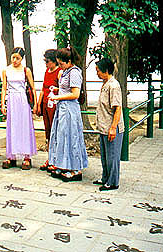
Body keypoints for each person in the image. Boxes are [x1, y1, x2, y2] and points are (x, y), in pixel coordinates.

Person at [48, 47, 88, 181]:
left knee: (71, 137)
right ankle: (63, 164)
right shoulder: (65, 72)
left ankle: (75, 169)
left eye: (61, 63)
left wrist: (57, 97)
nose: (60, 66)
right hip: (62, 109)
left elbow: (75, 94)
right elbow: (66, 89)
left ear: (69, 61)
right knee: (62, 136)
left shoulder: (75, 72)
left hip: (70, 109)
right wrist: (57, 89)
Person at [1, 47, 37, 170]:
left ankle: (27, 156)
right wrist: (2, 103)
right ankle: (12, 155)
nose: (15, 60)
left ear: (22, 59)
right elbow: (4, 88)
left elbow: (32, 87)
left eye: (18, 58)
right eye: (13, 57)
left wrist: (35, 104)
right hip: (11, 99)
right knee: (12, 126)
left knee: (24, 126)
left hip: (22, 99)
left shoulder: (26, 70)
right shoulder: (6, 70)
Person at [95, 58, 124, 191]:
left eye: (99, 71)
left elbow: (117, 108)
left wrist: (113, 128)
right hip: (103, 126)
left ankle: (113, 182)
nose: (97, 73)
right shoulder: (105, 84)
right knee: (105, 155)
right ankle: (105, 177)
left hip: (112, 127)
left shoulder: (114, 85)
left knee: (112, 156)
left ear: (106, 71)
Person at [36, 49, 62, 171]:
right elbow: (43, 88)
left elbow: (62, 90)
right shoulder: (47, 71)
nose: (46, 64)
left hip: (54, 105)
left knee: (55, 132)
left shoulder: (59, 72)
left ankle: (57, 159)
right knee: (48, 132)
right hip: (46, 104)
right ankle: (50, 158)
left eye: (47, 61)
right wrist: (38, 104)